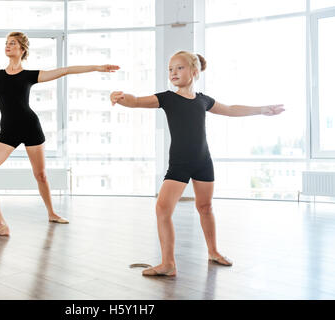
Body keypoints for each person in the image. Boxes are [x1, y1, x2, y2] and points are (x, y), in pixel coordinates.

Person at [110, 51, 284, 276]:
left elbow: (231, 110)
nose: (173, 73)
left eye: (179, 68)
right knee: (163, 208)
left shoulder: (203, 100)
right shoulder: (167, 98)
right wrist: (121, 97)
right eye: (170, 69)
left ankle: (213, 252)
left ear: (194, 72)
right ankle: (168, 263)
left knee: (205, 207)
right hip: (179, 164)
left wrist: (261, 110)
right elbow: (136, 102)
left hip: (203, 161)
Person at [0, 31, 119, 237]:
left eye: (12, 43)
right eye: (6, 43)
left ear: (22, 49)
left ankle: (52, 213)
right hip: (8, 131)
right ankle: (0, 224)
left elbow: (65, 70)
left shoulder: (30, 75)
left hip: (30, 126)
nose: (8, 46)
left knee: (40, 175)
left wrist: (97, 67)